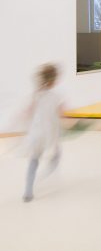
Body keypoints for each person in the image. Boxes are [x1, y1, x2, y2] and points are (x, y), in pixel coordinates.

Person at [23, 64, 63, 202]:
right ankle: (42, 178)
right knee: (57, 156)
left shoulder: (37, 95)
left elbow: (29, 111)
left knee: (34, 161)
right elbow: (62, 114)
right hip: (49, 135)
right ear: (54, 80)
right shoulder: (56, 97)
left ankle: (28, 191)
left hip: (36, 134)